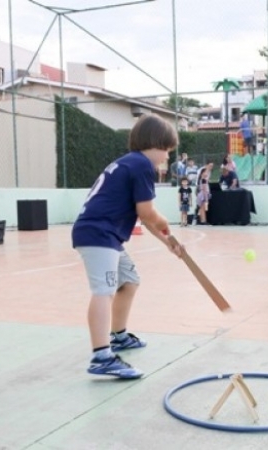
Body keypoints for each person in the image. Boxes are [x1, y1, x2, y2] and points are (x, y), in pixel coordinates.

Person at [71, 114, 181, 379]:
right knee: (103, 291)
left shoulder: (128, 163)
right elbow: (147, 213)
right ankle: (101, 356)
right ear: (153, 144)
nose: (167, 157)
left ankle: (118, 335)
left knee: (129, 281)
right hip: (99, 234)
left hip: (106, 235)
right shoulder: (142, 165)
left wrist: (168, 242)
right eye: (166, 150)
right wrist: (165, 221)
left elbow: (142, 216)